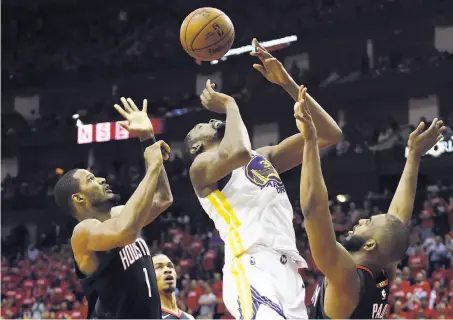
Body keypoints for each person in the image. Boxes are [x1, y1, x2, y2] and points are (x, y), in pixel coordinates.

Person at [183, 39, 342, 319]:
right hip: (251, 265)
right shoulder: (201, 167)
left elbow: (329, 134)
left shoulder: (264, 156)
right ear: (195, 147)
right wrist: (230, 105)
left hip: (289, 272)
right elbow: (239, 151)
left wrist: (287, 83)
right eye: (200, 126)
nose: (208, 121)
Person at [294, 92, 446, 319]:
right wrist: (413, 156)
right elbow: (397, 223)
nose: (362, 220)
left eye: (369, 222)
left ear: (370, 244)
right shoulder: (381, 275)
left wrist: (310, 141)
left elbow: (314, 210)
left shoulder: (348, 280)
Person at [54, 98, 173, 318]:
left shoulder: (121, 214)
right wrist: (153, 165)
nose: (100, 179)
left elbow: (163, 198)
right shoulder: (84, 232)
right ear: (78, 198)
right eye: (91, 179)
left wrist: (147, 139)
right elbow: (124, 232)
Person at [152, 254, 194, 319]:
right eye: (159, 267)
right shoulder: (147, 316)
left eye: (170, 266)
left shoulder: (189, 318)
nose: (168, 270)